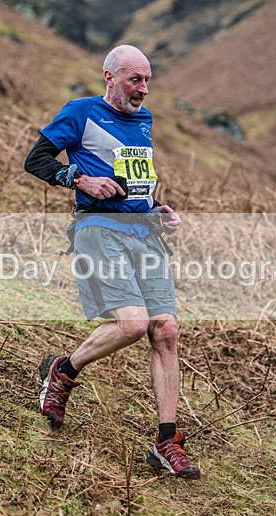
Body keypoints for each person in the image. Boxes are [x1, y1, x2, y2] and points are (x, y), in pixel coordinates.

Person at [23, 45, 200, 480]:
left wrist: (157, 207)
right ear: (109, 77)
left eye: (147, 80)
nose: (143, 89)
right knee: (133, 324)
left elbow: (135, 180)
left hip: (145, 232)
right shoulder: (81, 111)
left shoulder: (144, 120)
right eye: (134, 80)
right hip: (98, 229)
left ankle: (167, 442)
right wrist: (79, 178)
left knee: (167, 330)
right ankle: (64, 371)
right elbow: (36, 160)